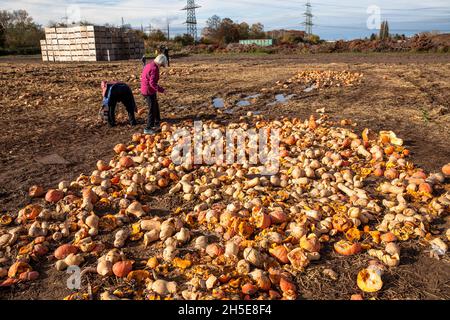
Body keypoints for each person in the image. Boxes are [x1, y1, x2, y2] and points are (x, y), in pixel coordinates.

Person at [141, 54, 168, 135]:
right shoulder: (154, 68)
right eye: (162, 65)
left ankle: (157, 120)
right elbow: (152, 83)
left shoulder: (149, 64)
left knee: (155, 105)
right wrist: (162, 90)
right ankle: (147, 128)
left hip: (146, 89)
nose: (162, 66)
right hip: (148, 91)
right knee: (152, 109)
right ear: (160, 62)